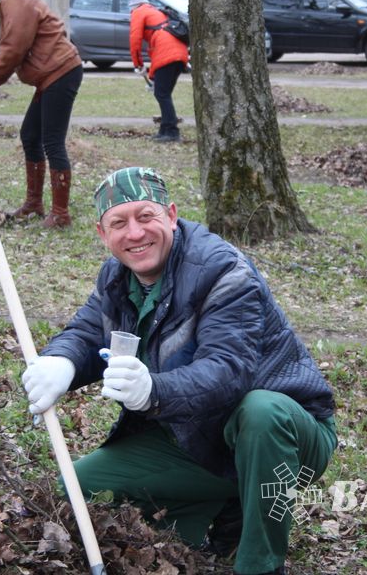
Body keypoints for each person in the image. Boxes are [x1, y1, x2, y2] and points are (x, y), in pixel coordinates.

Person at [21, 167, 337, 575]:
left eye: (145, 216)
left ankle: (260, 564)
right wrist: (60, 361)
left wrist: (154, 391)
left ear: (171, 215)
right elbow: (86, 333)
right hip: (197, 439)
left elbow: (228, 370)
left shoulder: (222, 270)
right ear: (102, 234)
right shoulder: (116, 276)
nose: (135, 233)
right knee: (78, 487)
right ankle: (226, 504)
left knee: (261, 411)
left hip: (288, 439)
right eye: (119, 223)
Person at [0, 0, 83, 228]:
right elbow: (12, 55)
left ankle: (60, 214)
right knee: (30, 135)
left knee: (52, 142)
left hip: (60, 72)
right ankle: (33, 204)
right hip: (50, 75)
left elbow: (13, 51)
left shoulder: (15, 0)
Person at [128, 0, 189, 143]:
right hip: (180, 54)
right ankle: (164, 130)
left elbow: (135, 40)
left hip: (168, 53)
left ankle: (172, 132)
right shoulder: (156, 11)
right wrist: (151, 75)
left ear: (133, 7)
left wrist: (138, 64)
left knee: (162, 94)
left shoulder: (138, 12)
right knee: (163, 93)